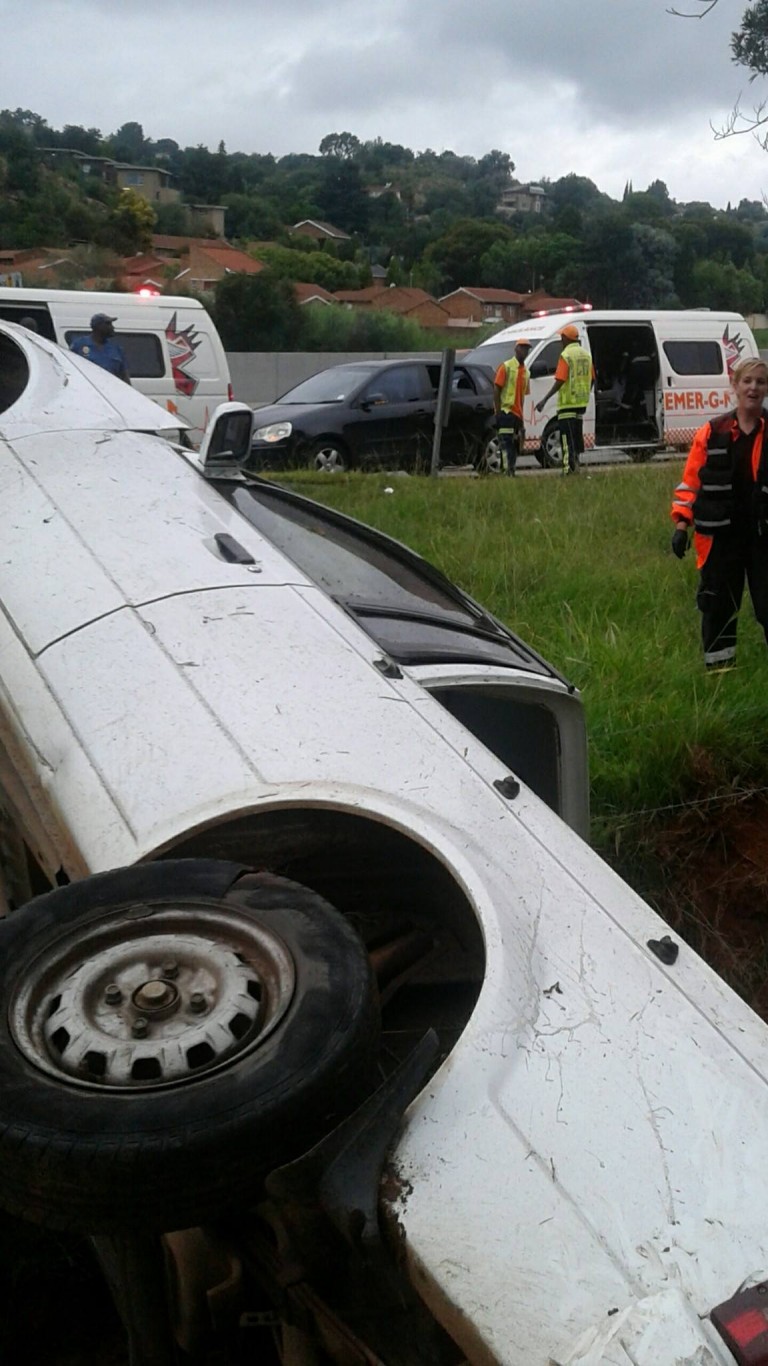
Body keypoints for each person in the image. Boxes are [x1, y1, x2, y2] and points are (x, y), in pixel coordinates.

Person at [670, 356, 768, 672]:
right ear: (735, 385)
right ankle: (720, 676)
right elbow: (691, 482)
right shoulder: (711, 433)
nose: (753, 388)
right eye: (747, 381)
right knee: (718, 606)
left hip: (762, 535)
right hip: (721, 536)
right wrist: (681, 523)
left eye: (760, 382)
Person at [535, 323, 593, 474]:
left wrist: (545, 399)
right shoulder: (586, 355)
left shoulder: (566, 355)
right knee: (577, 436)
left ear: (566, 339)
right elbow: (592, 378)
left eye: (562, 338)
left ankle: (568, 469)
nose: (561, 341)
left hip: (567, 404)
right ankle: (577, 465)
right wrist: (586, 392)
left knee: (566, 439)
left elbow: (560, 380)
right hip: (581, 404)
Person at [493, 339, 531, 476]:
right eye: (523, 348)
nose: (525, 351)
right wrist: (498, 412)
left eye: (527, 349)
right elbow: (497, 389)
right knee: (505, 443)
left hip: (517, 414)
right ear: (516, 349)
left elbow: (523, 396)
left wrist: (522, 419)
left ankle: (511, 470)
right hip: (506, 412)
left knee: (514, 445)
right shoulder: (506, 367)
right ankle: (506, 471)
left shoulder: (526, 372)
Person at [69, 313, 131, 384]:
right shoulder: (79, 345)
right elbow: (70, 370)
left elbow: (124, 375)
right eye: (108, 324)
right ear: (98, 326)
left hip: (110, 390)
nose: (112, 327)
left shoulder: (116, 349)